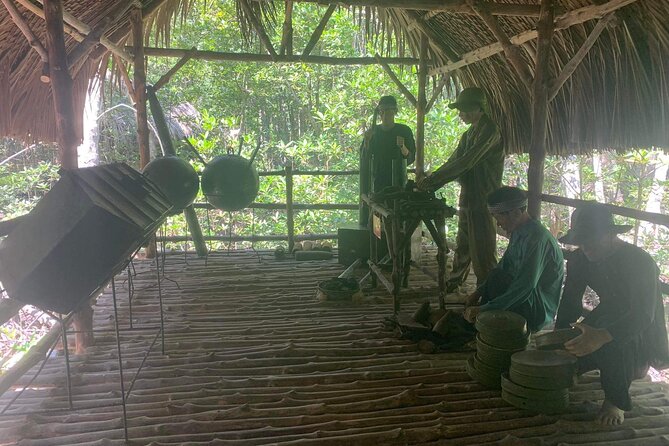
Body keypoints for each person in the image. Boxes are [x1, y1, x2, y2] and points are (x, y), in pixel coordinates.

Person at [555, 202, 669, 425]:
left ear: (611, 235)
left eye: (591, 240)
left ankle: (615, 400)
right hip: (607, 310)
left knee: (611, 341)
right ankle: (577, 368)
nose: (586, 247)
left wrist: (602, 335)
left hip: (642, 324)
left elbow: (644, 314)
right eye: (581, 241)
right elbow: (570, 300)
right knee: (580, 333)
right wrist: (560, 339)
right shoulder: (579, 259)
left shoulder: (640, 261)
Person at [417, 87, 504, 292]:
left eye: (465, 109)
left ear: (479, 108)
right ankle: (454, 283)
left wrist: (431, 183)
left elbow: (466, 162)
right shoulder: (468, 135)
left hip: (484, 199)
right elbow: (453, 161)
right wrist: (431, 179)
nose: (461, 114)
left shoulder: (490, 131)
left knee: (483, 249)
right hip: (468, 198)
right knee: (463, 244)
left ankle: (488, 293)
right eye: (460, 110)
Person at [463, 186, 564, 332]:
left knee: (501, 285)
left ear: (516, 212)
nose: (498, 223)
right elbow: (503, 267)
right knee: (495, 275)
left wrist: (484, 309)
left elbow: (525, 287)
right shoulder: (518, 233)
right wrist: (477, 293)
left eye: (499, 217)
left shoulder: (536, 239)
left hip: (536, 308)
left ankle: (488, 324)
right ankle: (484, 323)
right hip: (524, 298)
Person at [364, 95, 416, 193]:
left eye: (387, 110)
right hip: (378, 181)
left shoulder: (404, 131)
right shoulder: (374, 132)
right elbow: (366, 158)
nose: (384, 115)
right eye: (381, 111)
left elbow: (411, 157)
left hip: (399, 180)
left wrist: (402, 147)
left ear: (395, 111)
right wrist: (367, 141)